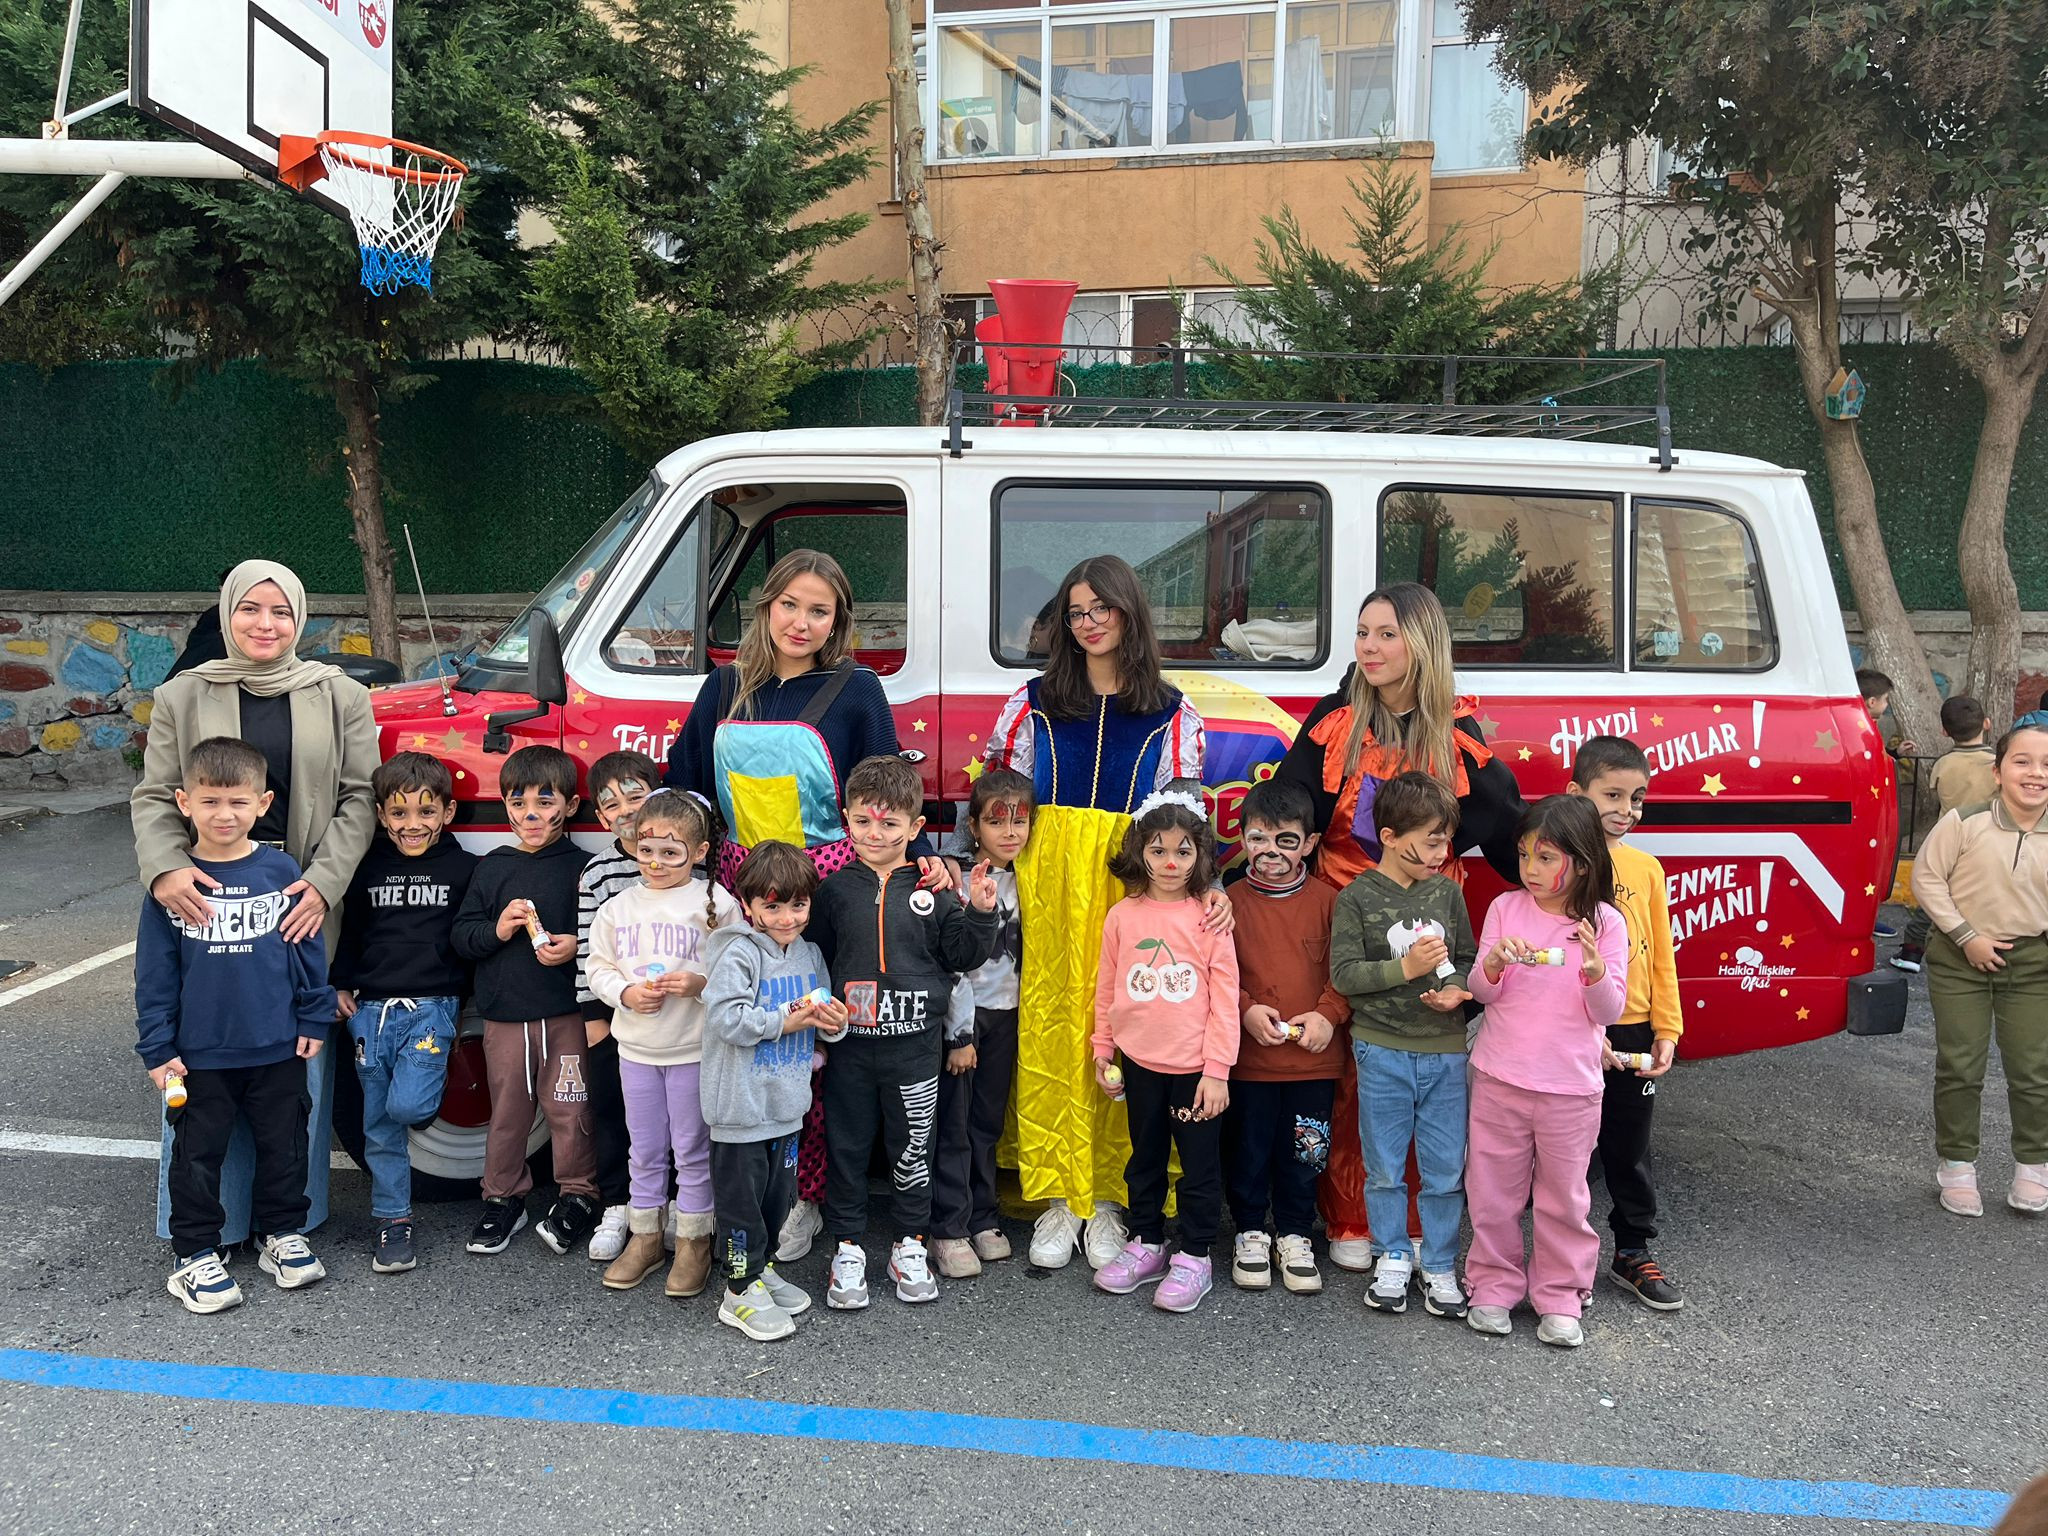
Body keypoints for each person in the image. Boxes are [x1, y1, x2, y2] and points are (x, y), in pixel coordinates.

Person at [664, 548, 947, 1265]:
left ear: (837, 621)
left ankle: (803, 1194)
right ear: (765, 607)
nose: (801, 621)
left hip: (822, 893)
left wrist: (922, 858)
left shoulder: (857, 690)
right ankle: (732, 1192)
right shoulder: (723, 687)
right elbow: (688, 783)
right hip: (741, 890)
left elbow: (884, 789)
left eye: (819, 610)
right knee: (744, 1035)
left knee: (809, 1045)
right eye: (789, 604)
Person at [964, 554, 1217, 1274]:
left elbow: (1186, 820)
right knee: (1049, 1033)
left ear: (1129, 612)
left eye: (1101, 608)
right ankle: (1056, 1194)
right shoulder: (1033, 703)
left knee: (1124, 1029)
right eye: (1075, 612)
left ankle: (1108, 1194)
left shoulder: (1172, 713)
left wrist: (1206, 888)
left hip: (1129, 887)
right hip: (1046, 888)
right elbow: (997, 804)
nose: (1088, 623)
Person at [1273, 582, 1522, 1272]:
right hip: (1343, 915)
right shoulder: (1334, 721)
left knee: (1422, 1075)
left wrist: (1568, 890)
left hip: (1427, 927)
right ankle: (1349, 1215)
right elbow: (1292, 810)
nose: (1370, 647)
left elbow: (1507, 824)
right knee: (1348, 1073)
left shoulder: (1457, 736)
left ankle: (1411, 1220)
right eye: (1363, 633)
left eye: (1387, 634)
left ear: (1423, 643)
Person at [133, 560, 378, 1247]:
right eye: (249, 609)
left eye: (280, 611)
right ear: (226, 613)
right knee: (199, 1058)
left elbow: (362, 796)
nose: (265, 624)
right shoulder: (183, 693)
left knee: (292, 1064)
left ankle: (287, 1225)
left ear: (300, 618)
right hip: (205, 895)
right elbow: (155, 796)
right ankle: (203, 1233)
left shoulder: (341, 695)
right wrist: (166, 870)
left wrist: (324, 882)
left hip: (300, 896)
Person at [136, 737, 335, 1313]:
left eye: (238, 802)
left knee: (285, 1146)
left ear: (263, 803)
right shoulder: (173, 883)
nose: (224, 814)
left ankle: (281, 1234)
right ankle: (194, 1254)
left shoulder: (280, 871)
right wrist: (158, 1049)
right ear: (184, 802)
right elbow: (154, 973)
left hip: (278, 1046)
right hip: (199, 1055)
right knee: (197, 1155)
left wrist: (313, 1014)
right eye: (210, 801)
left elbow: (306, 949)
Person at [805, 756, 1000, 1311]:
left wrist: (980, 912)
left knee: (913, 1149)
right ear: (846, 818)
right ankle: (847, 1246)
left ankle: (909, 1243)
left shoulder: (934, 887)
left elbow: (961, 955)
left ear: (914, 827)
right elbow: (816, 959)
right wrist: (817, 1026)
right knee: (847, 1146)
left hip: (916, 1049)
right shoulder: (833, 890)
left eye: (889, 824)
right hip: (849, 1051)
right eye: (863, 821)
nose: (875, 834)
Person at [1463, 796, 1628, 1348]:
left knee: (1564, 1199)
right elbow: (1481, 992)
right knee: (1492, 1192)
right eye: (1524, 854)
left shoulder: (1605, 923)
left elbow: (1609, 1011)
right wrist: (1491, 965)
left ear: (1582, 861)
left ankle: (1560, 1293)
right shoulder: (1505, 908)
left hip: (1570, 1088)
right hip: (1499, 1077)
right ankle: (1493, 1284)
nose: (1530, 868)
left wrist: (1595, 972)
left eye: (1546, 857)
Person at [1328, 771, 1478, 1319]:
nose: (1442, 853)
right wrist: (1405, 968)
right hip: (1381, 1049)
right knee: (1385, 1167)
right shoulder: (1356, 898)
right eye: (1431, 841)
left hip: (1445, 1050)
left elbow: (1465, 957)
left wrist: (1457, 988)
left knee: (1444, 1170)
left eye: (1446, 841)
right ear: (1389, 837)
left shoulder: (1448, 892)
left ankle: (1437, 1263)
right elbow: (1344, 975)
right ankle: (1390, 1254)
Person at [1090, 787, 1240, 1315]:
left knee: (1198, 1167)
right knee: (1145, 1158)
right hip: (1139, 1065)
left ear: (1201, 854)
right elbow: (1107, 987)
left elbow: (1225, 997)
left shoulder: (1210, 917)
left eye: (1182, 850)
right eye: (1158, 850)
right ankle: (1147, 1241)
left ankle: (1195, 1254)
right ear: (1140, 851)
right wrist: (1103, 1049)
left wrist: (1217, 1071)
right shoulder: (1122, 916)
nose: (1170, 862)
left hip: (1196, 1071)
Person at [584, 789, 740, 1297]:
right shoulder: (617, 908)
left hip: (694, 1052)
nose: (655, 862)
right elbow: (597, 967)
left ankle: (694, 1240)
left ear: (699, 851)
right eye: (646, 849)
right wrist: (624, 993)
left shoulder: (717, 905)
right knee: (645, 1148)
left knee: (692, 1150)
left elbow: (741, 971)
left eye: (670, 852)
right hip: (636, 1052)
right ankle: (646, 1236)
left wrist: (700, 985)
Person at [330, 751, 477, 1274]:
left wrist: (469, 995)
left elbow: (469, 939)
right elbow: (352, 932)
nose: (412, 824)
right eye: (399, 813)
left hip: (432, 1008)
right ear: (381, 814)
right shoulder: (367, 866)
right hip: (370, 1011)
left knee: (409, 1107)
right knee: (377, 1127)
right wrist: (339, 983)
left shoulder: (464, 868)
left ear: (447, 813)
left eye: (425, 811)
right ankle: (393, 1220)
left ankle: (422, 1096)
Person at [450, 745, 599, 1256]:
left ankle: (578, 1193)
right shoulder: (493, 867)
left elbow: (609, 936)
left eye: (544, 801)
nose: (531, 815)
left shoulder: (584, 868)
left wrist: (576, 945)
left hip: (567, 1015)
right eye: (518, 803)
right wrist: (497, 928)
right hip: (506, 1016)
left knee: (570, 1107)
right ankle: (502, 1197)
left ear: (571, 805)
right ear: (505, 807)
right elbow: (462, 936)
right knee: (509, 1112)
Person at [701, 842, 846, 1341]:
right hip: (740, 1109)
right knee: (741, 1209)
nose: (787, 918)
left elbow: (821, 1021)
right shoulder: (737, 951)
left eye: (798, 905)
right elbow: (726, 1019)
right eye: (773, 906)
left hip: (786, 1106)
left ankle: (760, 1271)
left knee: (776, 1202)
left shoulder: (811, 954)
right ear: (748, 905)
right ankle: (738, 1291)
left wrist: (835, 1023)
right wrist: (788, 1020)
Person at [1908, 723, 2048, 1218]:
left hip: (2033, 963)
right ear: (1998, 771)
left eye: (2047, 765)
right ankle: (1957, 1165)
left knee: (2033, 1070)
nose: (2035, 773)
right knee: (1961, 1066)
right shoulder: (1965, 822)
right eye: (2022, 761)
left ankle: (2033, 1165)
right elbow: (1927, 879)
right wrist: (1967, 936)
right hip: (1959, 957)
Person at [1566, 736, 1686, 1310]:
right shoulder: (1559, 865)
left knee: (1629, 1145)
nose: (1626, 809)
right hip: (1575, 1030)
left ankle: (1632, 1250)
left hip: (1635, 1030)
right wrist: (1586, 1033)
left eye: (1636, 797)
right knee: (1569, 1150)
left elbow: (1662, 954)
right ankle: (1561, 1256)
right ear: (1576, 793)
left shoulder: (1647, 868)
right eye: (1612, 795)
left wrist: (1667, 1030)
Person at [1223, 777, 1349, 1298]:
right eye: (1258, 838)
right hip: (1249, 1063)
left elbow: (1348, 972)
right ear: (1242, 838)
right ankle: (1250, 1230)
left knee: (1306, 1152)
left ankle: (1296, 1232)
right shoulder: (1227, 902)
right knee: (1248, 1149)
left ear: (1311, 843)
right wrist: (1244, 1009)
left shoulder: (1332, 902)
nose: (1270, 851)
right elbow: (1214, 972)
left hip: (1314, 1063)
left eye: (1286, 840)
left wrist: (1328, 1015)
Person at [929, 768, 1033, 1279]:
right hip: (967, 1021)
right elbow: (951, 965)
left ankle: (984, 1216)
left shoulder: (1032, 876)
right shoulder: (956, 880)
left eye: (1020, 820)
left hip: (1009, 1017)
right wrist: (960, 1034)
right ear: (973, 826)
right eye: (996, 821)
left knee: (987, 1122)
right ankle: (950, 1222)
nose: (1010, 832)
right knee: (955, 1124)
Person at [573, 750, 662, 1263]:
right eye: (612, 804)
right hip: (615, 1019)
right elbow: (588, 951)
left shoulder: (691, 859)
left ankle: (674, 1204)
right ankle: (617, 1203)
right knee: (613, 1112)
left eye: (636, 796)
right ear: (601, 817)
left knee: (678, 1120)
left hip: (678, 1022)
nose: (626, 810)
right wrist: (593, 1017)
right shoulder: (599, 872)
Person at [1896, 697, 1997, 974]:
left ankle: (1912, 950)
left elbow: (1936, 794)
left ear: (1944, 731)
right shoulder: (1997, 764)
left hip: (1948, 838)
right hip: (1987, 839)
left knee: (1936, 897)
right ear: (1986, 724)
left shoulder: (1942, 764)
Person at [1858, 667, 1912, 941]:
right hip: (1866, 813)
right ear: (1872, 701)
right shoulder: (1859, 729)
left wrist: (1894, 754)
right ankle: (1864, 918)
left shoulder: (1868, 727)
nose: (1887, 704)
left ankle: (1868, 917)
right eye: (1886, 699)